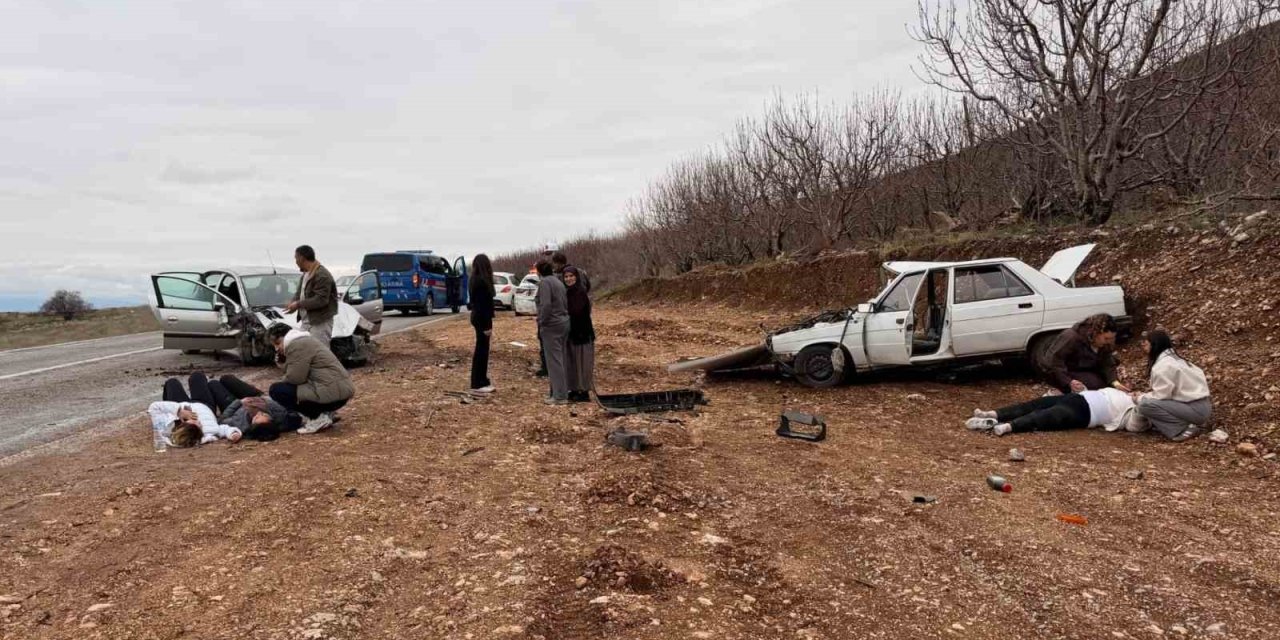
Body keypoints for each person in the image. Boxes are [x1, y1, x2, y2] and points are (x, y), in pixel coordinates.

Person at [266, 323, 354, 434]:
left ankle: (316, 417)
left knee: (277, 390)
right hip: (340, 391)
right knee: (290, 388)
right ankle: (325, 413)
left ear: (286, 336)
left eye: (278, 343)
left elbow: (295, 378)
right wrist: (283, 364)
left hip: (332, 393)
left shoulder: (296, 345)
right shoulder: (306, 340)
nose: (276, 348)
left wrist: (282, 377)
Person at [1129, 329, 1213, 441]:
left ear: (1154, 345)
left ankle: (1182, 429)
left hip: (1194, 409)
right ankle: (1189, 423)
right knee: (1148, 402)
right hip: (1202, 406)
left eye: (1146, 343)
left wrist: (1140, 397)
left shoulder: (1163, 366)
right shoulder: (1176, 360)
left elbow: (1162, 396)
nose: (1143, 346)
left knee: (1145, 405)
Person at [965, 386, 1137, 436]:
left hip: (1086, 412)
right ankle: (993, 414)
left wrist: (1139, 402)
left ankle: (1009, 426)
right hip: (1077, 397)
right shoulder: (1119, 392)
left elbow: (1136, 423)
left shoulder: (1134, 409)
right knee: (1034, 404)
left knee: (1047, 416)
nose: (1137, 394)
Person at [1040, 314, 1128, 394]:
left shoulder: (1104, 344)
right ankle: (1058, 392)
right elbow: (1054, 361)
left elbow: (1107, 363)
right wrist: (1068, 381)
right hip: (1062, 371)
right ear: (1096, 332)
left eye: (1111, 338)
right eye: (1106, 338)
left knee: (1108, 386)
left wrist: (1115, 382)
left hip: (1084, 368)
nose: (1109, 341)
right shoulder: (1071, 337)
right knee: (1095, 386)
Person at [149, 374, 242, 446]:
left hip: (179, 403)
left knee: (172, 382)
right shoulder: (207, 432)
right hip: (204, 404)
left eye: (194, 421)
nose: (199, 422)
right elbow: (224, 429)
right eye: (199, 425)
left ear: (182, 425)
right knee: (197, 377)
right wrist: (233, 434)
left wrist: (178, 411)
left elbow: (154, 407)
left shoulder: (168, 427)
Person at [284, 244, 338, 347]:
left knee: (320, 351)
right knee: (304, 350)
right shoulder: (306, 274)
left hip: (320, 322)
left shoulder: (322, 275)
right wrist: (292, 304)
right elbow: (299, 293)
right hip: (307, 322)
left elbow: (321, 300)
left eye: (296, 258)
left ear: (302, 258)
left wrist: (298, 304)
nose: (295, 261)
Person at [535, 260, 570, 405]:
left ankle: (559, 396)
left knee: (554, 361)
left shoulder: (544, 283)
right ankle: (557, 391)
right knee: (560, 359)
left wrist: (541, 321)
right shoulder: (558, 281)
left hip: (552, 325)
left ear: (539, 271)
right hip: (564, 322)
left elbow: (546, 305)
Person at [563, 266, 595, 403]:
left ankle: (584, 391)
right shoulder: (566, 292)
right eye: (566, 277)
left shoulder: (580, 292)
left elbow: (577, 311)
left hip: (583, 333)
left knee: (583, 363)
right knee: (572, 363)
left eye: (571, 276)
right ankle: (575, 389)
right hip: (571, 333)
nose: (569, 279)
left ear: (576, 277)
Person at [469, 254, 496, 395]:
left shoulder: (475, 280)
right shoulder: (481, 282)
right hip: (481, 319)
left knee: (482, 349)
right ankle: (477, 382)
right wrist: (487, 326)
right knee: (481, 350)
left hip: (478, 317)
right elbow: (482, 306)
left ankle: (482, 379)